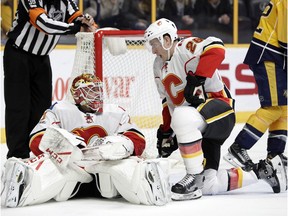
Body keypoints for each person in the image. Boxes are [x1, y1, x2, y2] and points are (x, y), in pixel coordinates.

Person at [143, 18, 287, 201]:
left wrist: (199, 79)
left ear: (167, 39)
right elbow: (166, 103)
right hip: (198, 122)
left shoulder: (185, 46)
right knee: (210, 185)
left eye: (155, 43)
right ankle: (264, 171)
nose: (153, 49)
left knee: (181, 116)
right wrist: (166, 133)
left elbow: (217, 48)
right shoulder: (157, 66)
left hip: (220, 110)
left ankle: (193, 177)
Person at [1, 73, 169, 207]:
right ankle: (22, 189)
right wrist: (68, 149)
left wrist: (116, 147)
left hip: (104, 167)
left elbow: (137, 139)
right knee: (47, 164)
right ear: (78, 95)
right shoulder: (60, 109)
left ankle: (149, 189)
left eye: (98, 90)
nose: (97, 95)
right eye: (91, 90)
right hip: (71, 168)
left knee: (127, 165)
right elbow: (37, 139)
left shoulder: (115, 111)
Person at [3, 0, 97, 159]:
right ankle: (18, 156)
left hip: (42, 59)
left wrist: (86, 22)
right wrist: (74, 27)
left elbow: (76, 17)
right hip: (18, 56)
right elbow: (43, 23)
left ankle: (36, 152)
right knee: (18, 109)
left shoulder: (66, 1)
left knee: (42, 110)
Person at [223, 0, 287, 171]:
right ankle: (239, 147)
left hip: (273, 54)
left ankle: (275, 155)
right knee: (273, 108)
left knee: (283, 108)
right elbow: (284, 39)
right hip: (270, 53)